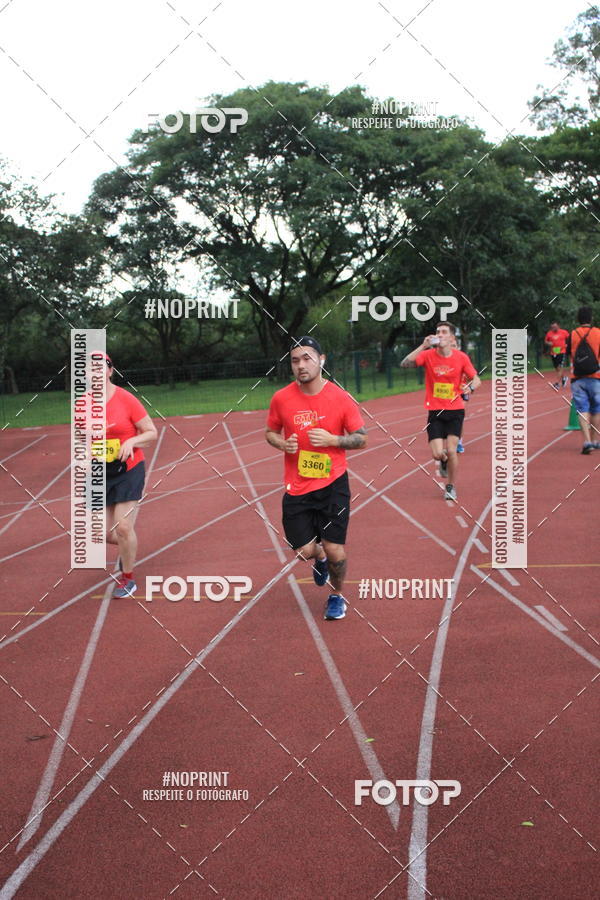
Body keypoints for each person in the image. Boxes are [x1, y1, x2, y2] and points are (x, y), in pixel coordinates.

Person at [265, 336, 367, 620]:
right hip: (297, 487)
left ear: (322, 360)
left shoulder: (341, 397)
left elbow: (362, 439)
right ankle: (318, 556)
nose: (301, 365)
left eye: (307, 358)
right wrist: (282, 444)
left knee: (335, 548)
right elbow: (270, 432)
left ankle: (336, 596)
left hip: (333, 484)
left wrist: (333, 439)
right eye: (295, 360)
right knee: (303, 551)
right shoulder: (281, 398)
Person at [96, 354, 157, 596]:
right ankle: (127, 546)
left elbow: (151, 432)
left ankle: (128, 578)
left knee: (122, 526)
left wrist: (131, 441)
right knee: (98, 533)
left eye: (101, 367)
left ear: (110, 371)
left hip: (129, 468)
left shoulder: (126, 399)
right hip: (99, 471)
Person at [401, 322, 481, 501]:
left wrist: (470, 387)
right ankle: (443, 461)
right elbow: (405, 363)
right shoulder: (428, 355)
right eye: (438, 332)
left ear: (452, 338)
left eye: (444, 332)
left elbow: (476, 379)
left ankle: (450, 486)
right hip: (435, 411)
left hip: (455, 410)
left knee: (452, 450)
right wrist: (423, 346)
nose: (440, 334)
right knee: (437, 454)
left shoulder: (461, 357)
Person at [566, 307, 600, 454]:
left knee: (582, 409)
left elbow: (569, 355)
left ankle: (587, 442)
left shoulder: (572, 334)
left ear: (578, 319)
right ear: (591, 319)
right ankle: (595, 440)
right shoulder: (598, 333)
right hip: (596, 377)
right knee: (596, 409)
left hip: (577, 378)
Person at [544, 322, 570, 389]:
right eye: (552, 327)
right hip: (554, 352)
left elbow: (570, 339)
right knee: (557, 368)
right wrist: (548, 343)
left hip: (562, 351)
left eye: (555, 327)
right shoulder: (549, 333)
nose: (554, 328)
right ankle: (564, 378)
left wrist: (567, 345)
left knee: (560, 367)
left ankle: (557, 383)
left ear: (558, 326)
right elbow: (546, 341)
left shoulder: (564, 332)